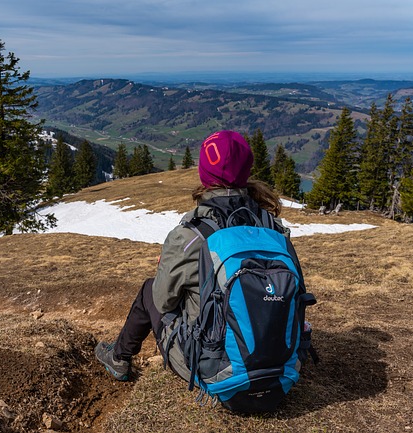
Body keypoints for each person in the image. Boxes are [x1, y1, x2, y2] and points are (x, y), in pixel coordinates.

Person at [95, 130, 290, 383]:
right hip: (278, 367)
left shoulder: (192, 235)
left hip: (215, 370)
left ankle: (119, 358)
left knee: (149, 290)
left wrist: (167, 270)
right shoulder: (273, 227)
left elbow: (163, 301)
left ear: (205, 174)